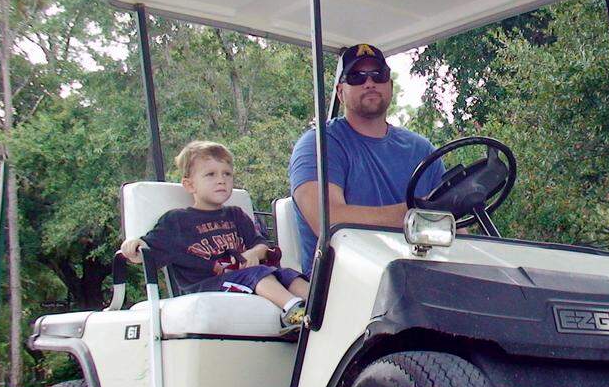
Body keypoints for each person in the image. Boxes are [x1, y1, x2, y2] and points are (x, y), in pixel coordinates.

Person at [288, 43, 445, 272]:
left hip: (419, 277)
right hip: (344, 283)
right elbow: (329, 221)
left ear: (390, 85)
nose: (369, 82)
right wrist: (418, 214)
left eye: (378, 75)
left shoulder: (423, 150)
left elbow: (455, 226)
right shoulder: (319, 144)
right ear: (340, 92)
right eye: (356, 77)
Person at [122, 141, 309, 331]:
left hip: (244, 275)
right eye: (211, 174)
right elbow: (146, 253)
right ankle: (294, 310)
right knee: (257, 273)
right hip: (206, 285)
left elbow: (261, 245)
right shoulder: (177, 221)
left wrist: (253, 253)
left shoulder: (236, 215)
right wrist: (133, 246)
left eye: (227, 174)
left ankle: (320, 309)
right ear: (189, 184)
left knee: (287, 274)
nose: (221, 180)